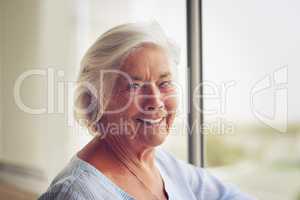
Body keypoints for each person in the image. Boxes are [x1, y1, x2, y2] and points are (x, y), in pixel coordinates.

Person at [39, 21, 254, 200]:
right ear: (96, 99)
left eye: (164, 83)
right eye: (134, 85)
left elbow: (228, 195)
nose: (156, 101)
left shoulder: (162, 164)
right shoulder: (76, 193)